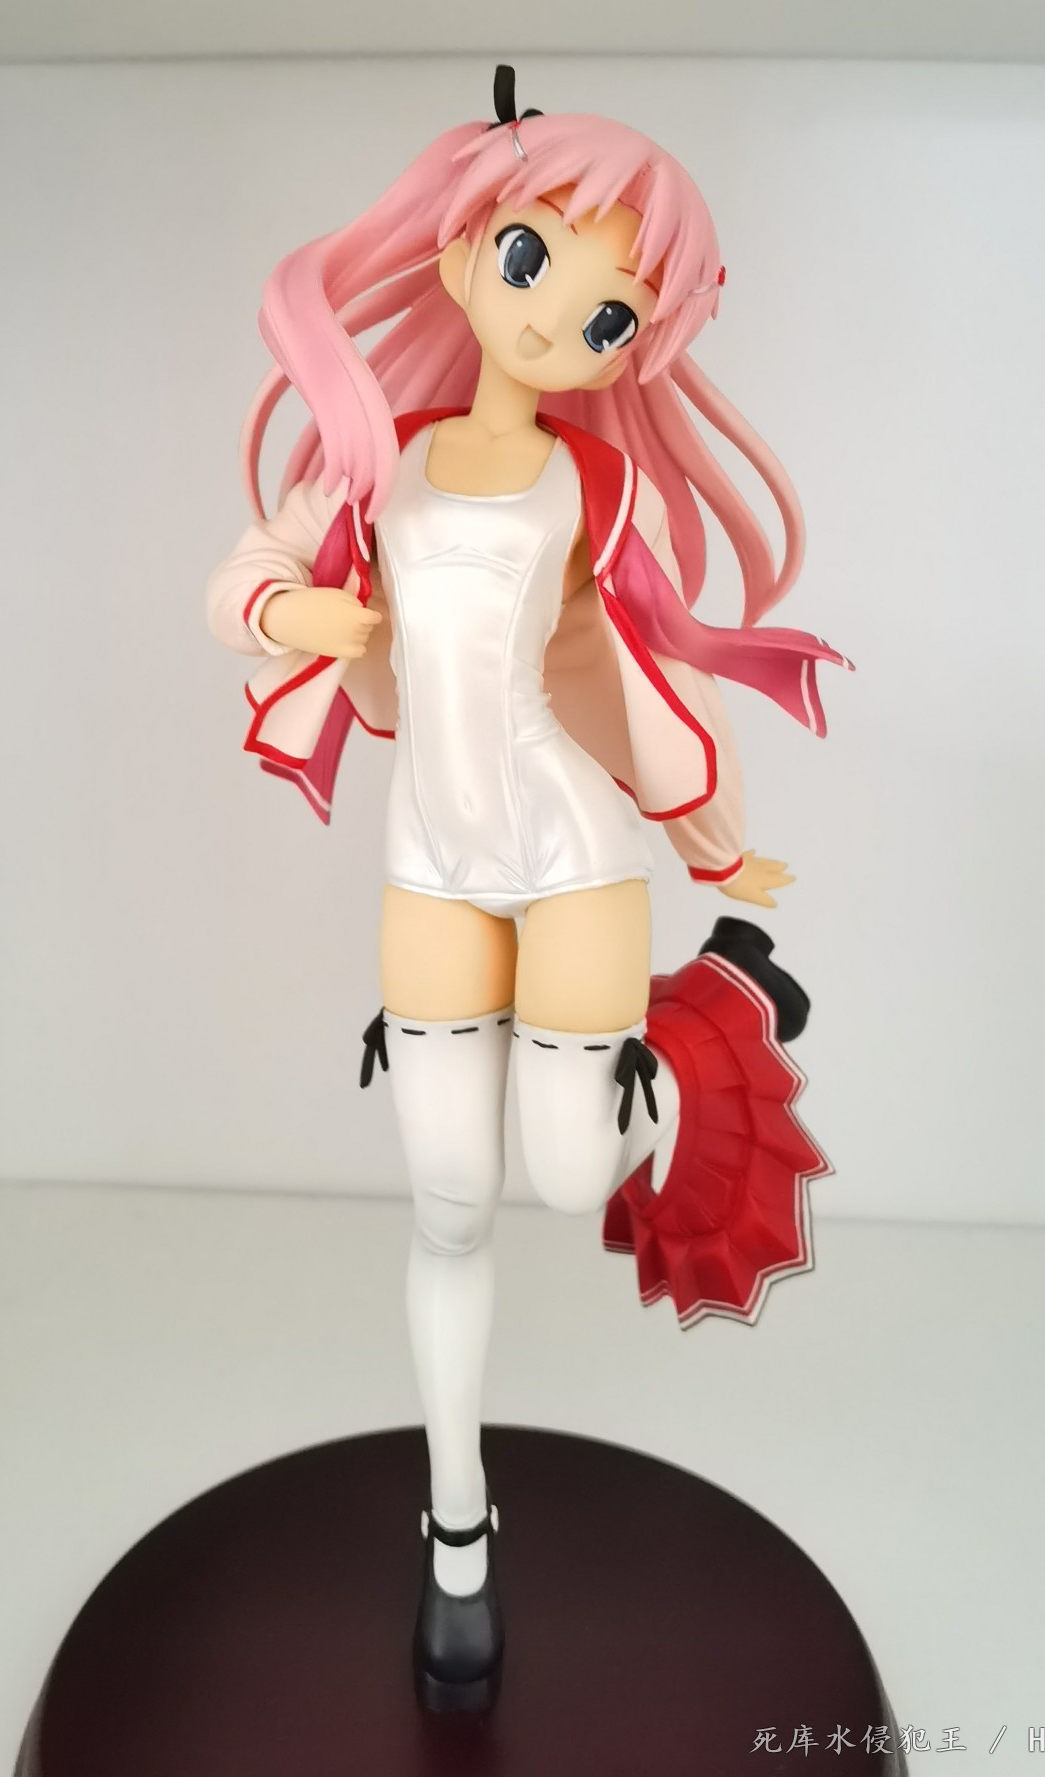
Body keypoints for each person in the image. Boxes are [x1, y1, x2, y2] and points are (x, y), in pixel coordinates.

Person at [206, 66, 844, 1714]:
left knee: (565, 1180)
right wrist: (299, 616)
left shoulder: (597, 487)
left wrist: (715, 847)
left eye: (613, 314)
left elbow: (644, 672)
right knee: (447, 1202)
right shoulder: (380, 468)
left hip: (569, 855)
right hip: (430, 863)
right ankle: (458, 1522)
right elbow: (244, 576)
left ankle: (699, 1019)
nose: (565, 322)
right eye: (535, 265)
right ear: (462, 250)